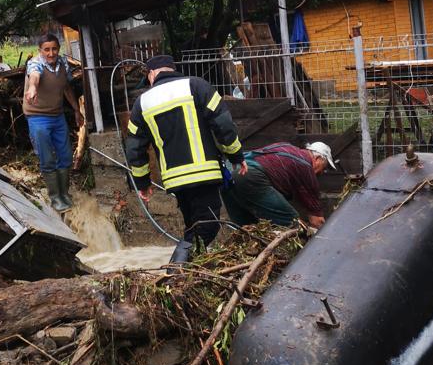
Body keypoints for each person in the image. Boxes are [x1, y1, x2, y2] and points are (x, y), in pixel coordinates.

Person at [125, 55, 248, 264]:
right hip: (204, 173)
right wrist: (236, 155)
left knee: (194, 226)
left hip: (175, 180)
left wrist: (142, 183)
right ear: (172, 69)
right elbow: (224, 125)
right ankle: (176, 269)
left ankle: (188, 270)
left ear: (152, 74)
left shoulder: (141, 103)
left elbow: (134, 148)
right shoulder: (197, 86)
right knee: (207, 226)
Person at [23, 32, 84, 211]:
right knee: (47, 158)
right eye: (46, 50)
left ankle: (64, 193)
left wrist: (76, 110)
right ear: (40, 50)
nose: (51, 53)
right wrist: (32, 88)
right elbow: (34, 77)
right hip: (37, 117)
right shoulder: (35, 64)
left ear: (58, 49)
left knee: (65, 155)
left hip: (57, 116)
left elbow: (66, 87)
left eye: (54, 49)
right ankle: (55, 197)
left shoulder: (63, 63)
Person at [221, 141, 336, 229]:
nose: (321, 173)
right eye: (324, 167)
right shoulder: (306, 167)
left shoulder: (286, 147)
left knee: (246, 228)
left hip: (227, 174)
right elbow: (317, 220)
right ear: (317, 158)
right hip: (248, 175)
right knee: (292, 222)